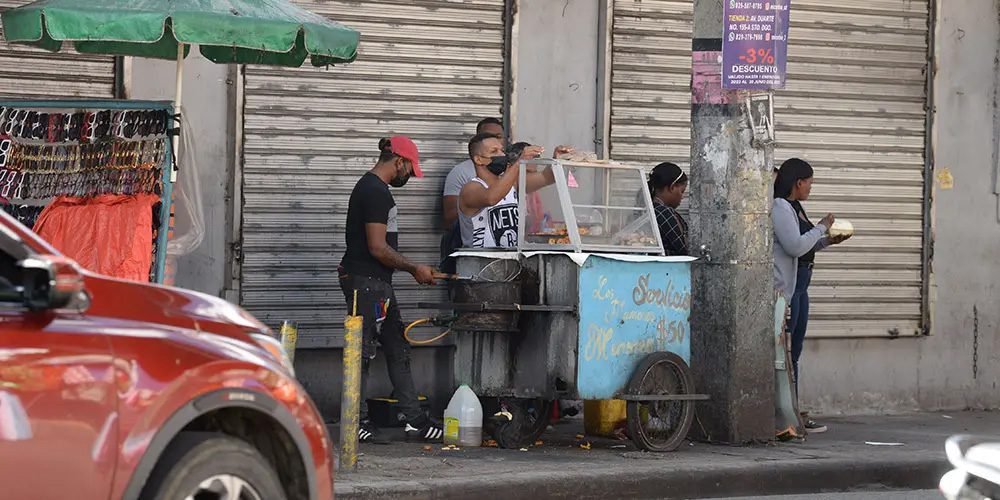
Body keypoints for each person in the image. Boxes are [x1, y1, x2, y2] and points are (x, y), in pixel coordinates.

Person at [338, 136, 444, 444]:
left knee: (397, 348)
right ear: (398, 161)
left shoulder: (375, 190)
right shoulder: (374, 192)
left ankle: (415, 420)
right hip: (367, 284)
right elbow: (377, 247)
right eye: (410, 169)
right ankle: (353, 421)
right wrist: (414, 268)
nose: (410, 176)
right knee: (362, 353)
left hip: (378, 285)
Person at [772, 157, 850, 434]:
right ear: (798, 182)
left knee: (795, 350)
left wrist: (827, 241)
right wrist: (821, 227)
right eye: (809, 183)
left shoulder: (794, 208)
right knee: (785, 351)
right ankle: (786, 415)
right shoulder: (780, 207)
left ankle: (792, 411)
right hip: (786, 289)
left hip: (799, 285)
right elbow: (794, 246)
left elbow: (804, 245)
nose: (810, 189)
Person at [647, 162, 689, 256]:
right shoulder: (665, 213)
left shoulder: (645, 209)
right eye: (682, 191)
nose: (682, 197)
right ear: (672, 187)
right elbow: (684, 250)